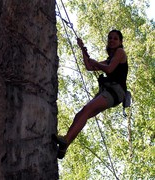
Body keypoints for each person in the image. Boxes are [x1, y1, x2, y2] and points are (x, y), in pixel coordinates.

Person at [54, 29, 128, 159]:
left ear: (120, 42)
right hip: (108, 92)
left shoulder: (120, 53)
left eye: (115, 38)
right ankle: (64, 147)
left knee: (87, 109)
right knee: (82, 114)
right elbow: (89, 67)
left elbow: (109, 69)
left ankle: (66, 140)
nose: (111, 40)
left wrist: (96, 63)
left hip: (115, 91)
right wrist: (82, 49)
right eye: (110, 38)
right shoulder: (109, 59)